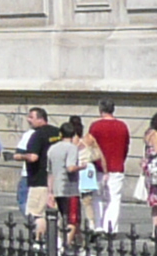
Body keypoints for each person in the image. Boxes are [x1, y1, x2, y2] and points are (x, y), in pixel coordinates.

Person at [47, 117, 93, 245]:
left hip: (57, 188)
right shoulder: (71, 148)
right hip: (69, 188)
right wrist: (82, 167)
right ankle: (64, 245)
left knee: (64, 217)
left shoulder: (52, 148)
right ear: (73, 135)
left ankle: (80, 243)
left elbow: (50, 172)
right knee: (73, 219)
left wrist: (50, 192)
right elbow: (70, 167)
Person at [89, 101, 133, 234]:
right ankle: (110, 228)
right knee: (114, 198)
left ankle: (97, 226)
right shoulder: (122, 126)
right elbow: (126, 146)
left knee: (97, 197)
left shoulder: (95, 126)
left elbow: (90, 147)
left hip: (98, 167)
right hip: (117, 165)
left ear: (100, 109)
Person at [19, 106, 56, 239]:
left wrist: (19, 156)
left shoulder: (37, 135)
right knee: (54, 213)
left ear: (41, 119)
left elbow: (33, 157)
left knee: (37, 213)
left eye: (31, 117)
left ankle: (39, 240)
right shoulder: (57, 132)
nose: (28, 120)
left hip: (39, 179)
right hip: (57, 179)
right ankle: (58, 240)